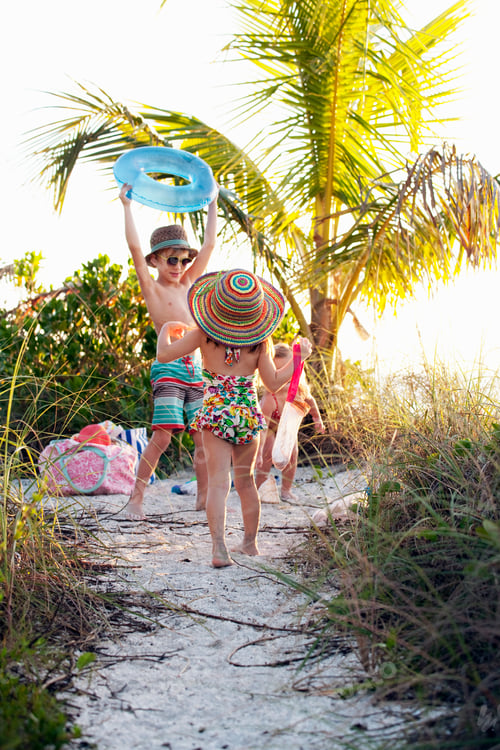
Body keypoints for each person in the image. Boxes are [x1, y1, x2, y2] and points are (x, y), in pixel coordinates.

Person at [156, 269, 313, 568]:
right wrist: (299, 359)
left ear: (218, 305)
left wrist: (167, 329)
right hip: (248, 416)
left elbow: (164, 355)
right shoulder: (260, 343)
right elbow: (273, 383)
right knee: (245, 483)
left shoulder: (204, 335)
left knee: (218, 484)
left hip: (216, 414)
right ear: (255, 313)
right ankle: (250, 544)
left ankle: (219, 549)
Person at [119, 182, 219, 520]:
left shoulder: (190, 282)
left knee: (202, 436)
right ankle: (136, 499)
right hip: (169, 367)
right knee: (162, 436)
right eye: (171, 259)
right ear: (157, 261)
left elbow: (209, 244)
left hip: (196, 368)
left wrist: (211, 204)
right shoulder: (152, 287)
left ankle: (203, 500)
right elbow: (134, 247)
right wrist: (127, 206)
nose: (178, 265)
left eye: (183, 259)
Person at [256, 343, 325, 502]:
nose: (284, 382)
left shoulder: (299, 390)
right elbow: (263, 428)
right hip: (269, 428)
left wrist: (317, 419)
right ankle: (260, 487)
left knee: (292, 455)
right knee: (267, 452)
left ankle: (286, 490)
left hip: (287, 428)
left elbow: (311, 402)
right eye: (279, 376)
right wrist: (258, 449)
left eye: (289, 376)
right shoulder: (269, 399)